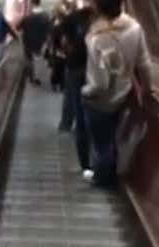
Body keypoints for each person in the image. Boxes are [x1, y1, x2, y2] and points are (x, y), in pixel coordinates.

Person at [81, 0, 152, 187]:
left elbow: (99, 82)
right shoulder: (135, 28)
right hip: (123, 95)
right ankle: (110, 174)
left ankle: (103, 178)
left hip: (98, 100)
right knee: (113, 136)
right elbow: (144, 63)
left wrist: (85, 92)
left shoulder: (96, 36)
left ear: (97, 7)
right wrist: (146, 89)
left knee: (101, 141)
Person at [59, 0, 95, 181]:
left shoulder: (71, 19)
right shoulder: (109, 20)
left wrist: (68, 54)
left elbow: (64, 42)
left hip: (76, 69)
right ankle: (101, 160)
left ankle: (86, 165)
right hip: (97, 70)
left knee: (79, 110)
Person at [16, 0, 51, 85]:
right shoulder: (46, 16)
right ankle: (38, 77)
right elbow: (49, 30)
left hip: (28, 42)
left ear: (32, 4)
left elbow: (18, 27)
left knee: (29, 60)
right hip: (40, 42)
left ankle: (32, 78)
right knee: (39, 60)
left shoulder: (27, 18)